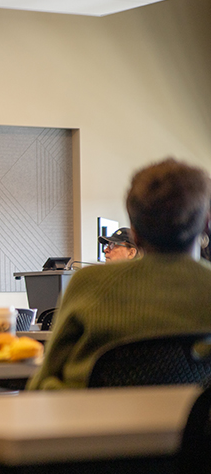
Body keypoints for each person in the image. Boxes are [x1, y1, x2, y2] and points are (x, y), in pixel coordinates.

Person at [28, 158, 211, 390]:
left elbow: (44, 379)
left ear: (134, 231)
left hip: (91, 422)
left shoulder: (88, 284)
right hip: (195, 422)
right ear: (206, 223)